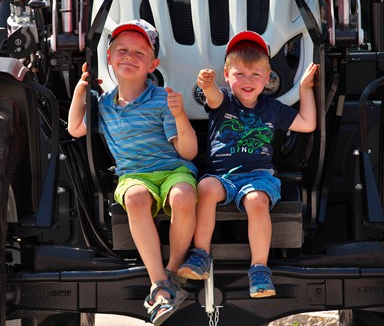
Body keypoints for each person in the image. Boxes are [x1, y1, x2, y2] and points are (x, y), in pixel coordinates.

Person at [68, 19, 198, 325]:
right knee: (136, 198)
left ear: (152, 64)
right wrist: (79, 93)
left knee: (183, 196)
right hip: (134, 175)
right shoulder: (103, 105)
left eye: (139, 52)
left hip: (172, 169)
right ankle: (159, 285)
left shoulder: (162, 99)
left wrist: (179, 115)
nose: (129, 56)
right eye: (122, 50)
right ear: (109, 58)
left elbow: (188, 152)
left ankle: (174, 271)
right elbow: (75, 129)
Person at [177, 30, 318, 298]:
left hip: (258, 176)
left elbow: (308, 123)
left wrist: (305, 89)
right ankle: (200, 255)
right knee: (205, 188)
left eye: (255, 75)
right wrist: (207, 84)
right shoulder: (223, 101)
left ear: (267, 78)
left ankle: (259, 268)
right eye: (240, 74)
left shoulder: (272, 108)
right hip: (222, 175)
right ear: (227, 75)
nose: (247, 81)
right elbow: (213, 96)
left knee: (257, 201)